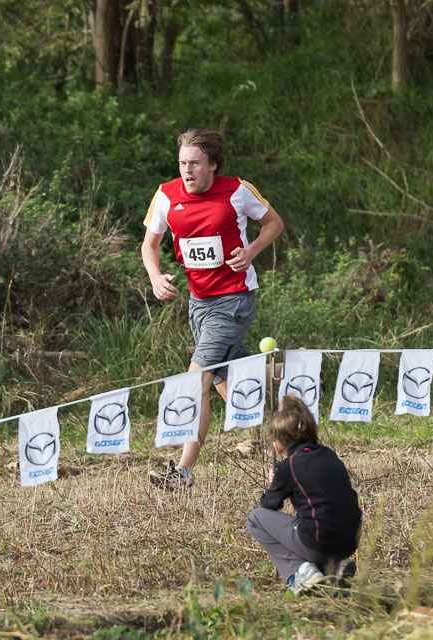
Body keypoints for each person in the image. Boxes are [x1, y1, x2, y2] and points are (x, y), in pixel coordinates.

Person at [143, 128, 283, 490]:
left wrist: (250, 252)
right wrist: (156, 277)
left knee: (197, 380)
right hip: (199, 304)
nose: (187, 170)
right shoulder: (166, 194)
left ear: (213, 165)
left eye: (195, 163)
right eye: (182, 163)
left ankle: (183, 474)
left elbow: (274, 223)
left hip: (234, 299)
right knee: (232, 384)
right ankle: (283, 376)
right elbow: (150, 244)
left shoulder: (237, 190)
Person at [246, 396, 362, 595]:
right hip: (350, 541)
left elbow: (269, 505)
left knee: (255, 519)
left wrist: (276, 482)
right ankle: (330, 568)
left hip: (319, 542)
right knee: (317, 523)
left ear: (278, 445)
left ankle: (301, 570)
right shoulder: (329, 454)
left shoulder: (287, 467)